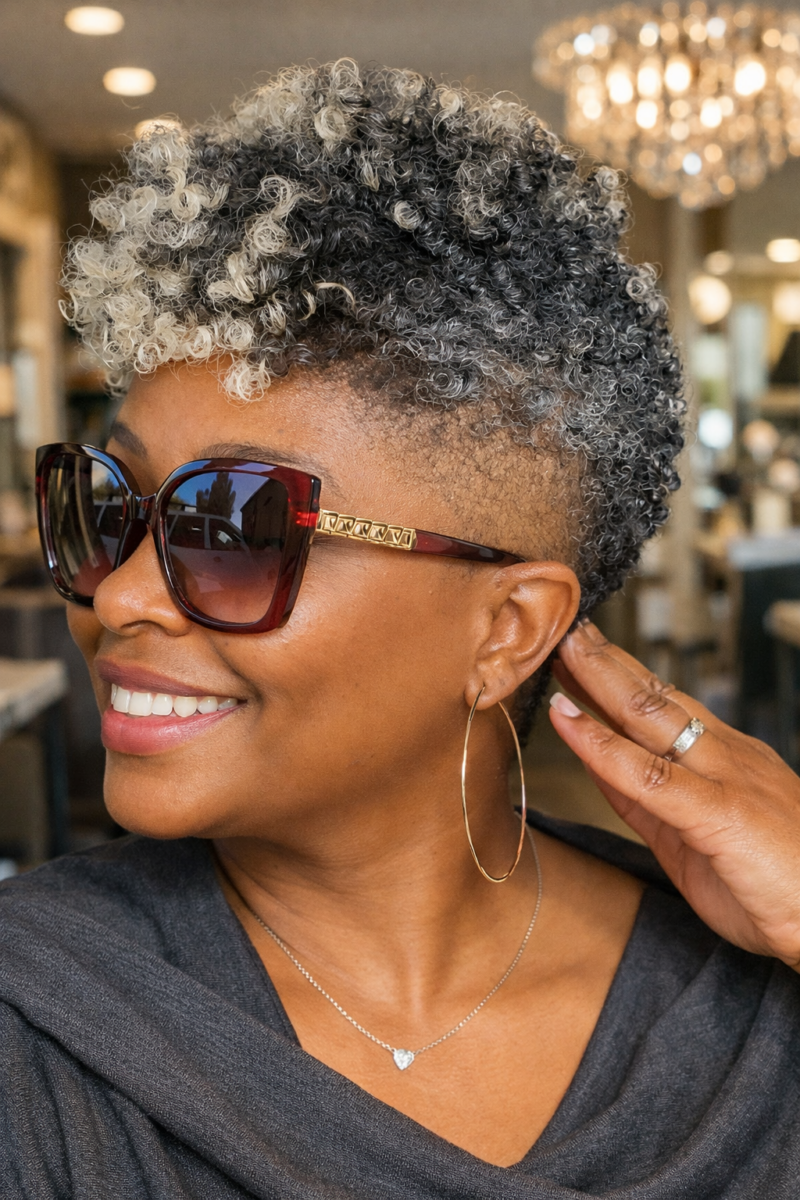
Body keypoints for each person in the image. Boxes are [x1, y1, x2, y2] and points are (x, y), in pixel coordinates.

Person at [3, 60, 800, 1199]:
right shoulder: (37, 1018)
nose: (120, 598)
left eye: (234, 529)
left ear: (506, 631)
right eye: (108, 505)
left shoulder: (754, 1000)